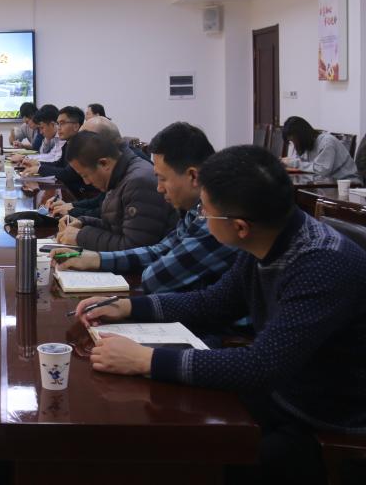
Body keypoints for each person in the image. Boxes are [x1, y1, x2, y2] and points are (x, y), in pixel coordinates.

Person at [76, 146, 366, 485]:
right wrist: (126, 307)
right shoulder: (268, 237)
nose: (201, 217)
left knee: (184, 455)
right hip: (281, 392)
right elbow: (214, 303)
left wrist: (144, 360)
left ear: (239, 226)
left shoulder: (320, 265)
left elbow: (261, 366)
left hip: (320, 416)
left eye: (205, 211)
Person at [53, 122, 239, 294]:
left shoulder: (216, 219)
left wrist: (86, 241)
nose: (159, 188)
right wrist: (96, 259)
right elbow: (160, 250)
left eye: (162, 178)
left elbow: (155, 278)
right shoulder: (195, 210)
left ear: (193, 176)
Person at [57, 130, 175, 251]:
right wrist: (83, 222)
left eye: (85, 175)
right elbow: (116, 227)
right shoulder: (119, 176)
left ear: (103, 163)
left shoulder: (138, 182)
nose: (86, 182)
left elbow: (135, 248)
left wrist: (81, 237)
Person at [19, 106, 90, 196]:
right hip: (69, 191)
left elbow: (68, 174)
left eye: (62, 123)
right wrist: (38, 165)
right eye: (58, 124)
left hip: (80, 194)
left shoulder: (81, 146)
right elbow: (58, 164)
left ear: (76, 126)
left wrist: (39, 168)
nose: (58, 128)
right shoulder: (68, 144)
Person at [281, 116, 359, 182]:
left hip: (347, 182)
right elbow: (302, 162)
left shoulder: (327, 142)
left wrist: (293, 163)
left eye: (294, 140)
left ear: (302, 136)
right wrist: (288, 161)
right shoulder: (307, 144)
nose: (295, 145)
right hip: (327, 182)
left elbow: (321, 170)